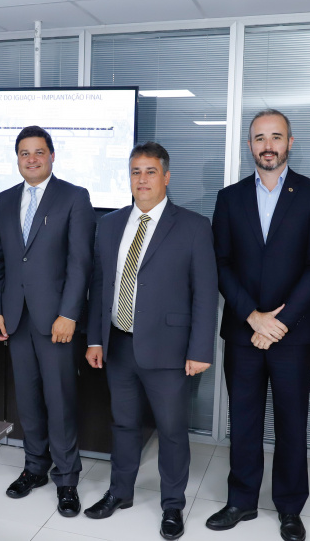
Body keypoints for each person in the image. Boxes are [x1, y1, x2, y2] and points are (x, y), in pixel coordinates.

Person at [207, 109, 310, 541]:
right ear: (250, 145)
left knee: (291, 421)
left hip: (293, 333)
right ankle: (241, 501)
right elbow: (221, 263)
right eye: (259, 137)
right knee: (242, 420)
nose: (268, 145)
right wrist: (252, 316)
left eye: (276, 137)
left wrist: (278, 321)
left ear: (290, 142)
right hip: (244, 330)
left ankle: (288, 508)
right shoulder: (230, 197)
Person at [84, 142, 218, 540]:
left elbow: (205, 293)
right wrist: (94, 340)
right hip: (119, 343)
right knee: (123, 425)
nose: (142, 180)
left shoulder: (193, 226)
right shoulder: (109, 225)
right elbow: (100, 287)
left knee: (172, 430)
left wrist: (199, 350)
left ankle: (172, 505)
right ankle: (120, 492)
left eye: (150, 172)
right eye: (135, 172)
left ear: (166, 177)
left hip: (170, 350)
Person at [0, 126, 95, 517]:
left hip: (56, 321)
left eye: (38, 152)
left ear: (52, 155)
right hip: (14, 317)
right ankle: (35, 468)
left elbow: (80, 263)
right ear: (17, 158)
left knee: (59, 399)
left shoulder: (74, 197)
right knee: (28, 399)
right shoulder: (2, 201)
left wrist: (69, 314)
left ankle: (67, 478)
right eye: (23, 153)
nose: (31, 159)